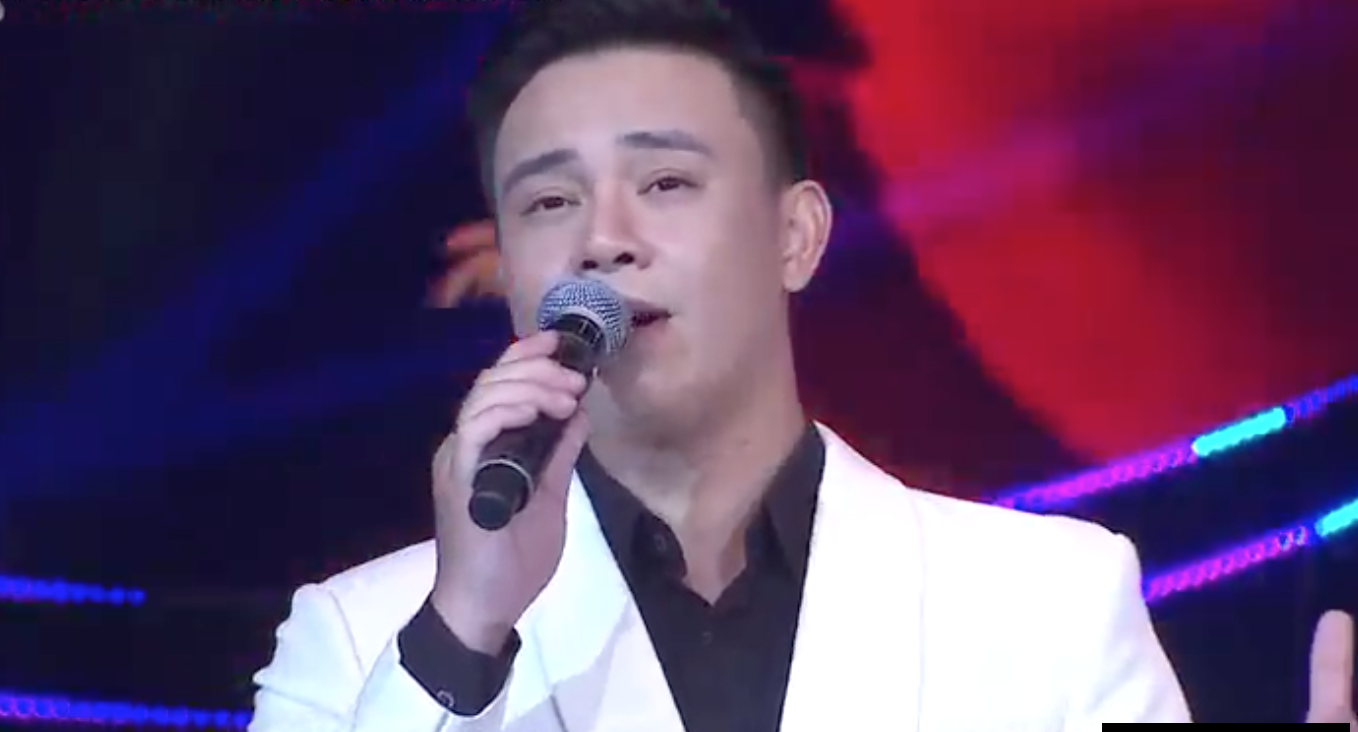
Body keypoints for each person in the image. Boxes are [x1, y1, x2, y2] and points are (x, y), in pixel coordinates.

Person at [247, 0, 1355, 729]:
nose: (602, 238)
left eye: (665, 183)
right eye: (547, 201)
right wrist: (465, 632)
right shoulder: (363, 638)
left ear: (797, 236)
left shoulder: (1051, 599)